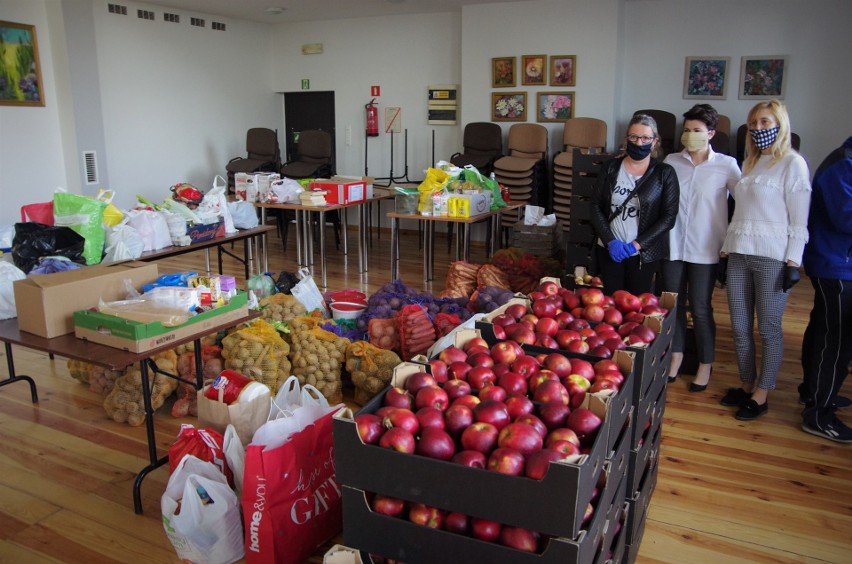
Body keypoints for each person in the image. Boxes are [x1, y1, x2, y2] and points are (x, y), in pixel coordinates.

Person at [718, 100, 811, 421]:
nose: (759, 128)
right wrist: (726, 250)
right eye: (754, 123)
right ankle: (746, 385)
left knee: (768, 328)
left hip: (773, 259)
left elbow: (799, 220)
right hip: (739, 255)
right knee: (740, 327)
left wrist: (794, 263)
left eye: (765, 122)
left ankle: (763, 392)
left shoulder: (792, 164)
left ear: (780, 124)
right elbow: (740, 213)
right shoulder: (750, 162)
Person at [662, 104, 741, 392]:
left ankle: (706, 363)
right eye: (686, 131)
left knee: (700, 307)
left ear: (710, 133)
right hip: (673, 245)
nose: (690, 136)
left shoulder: (727, 165)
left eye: (696, 131)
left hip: (707, 248)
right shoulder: (671, 161)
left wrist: (732, 242)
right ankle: (676, 356)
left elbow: (744, 203)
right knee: (673, 305)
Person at [799, 136, 852, 443]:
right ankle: (820, 413)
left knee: (824, 329)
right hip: (836, 265)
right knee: (835, 341)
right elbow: (845, 217)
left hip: (838, 263)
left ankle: (813, 391)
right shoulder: (843, 163)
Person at [590, 113, 679, 296]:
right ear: (626, 139)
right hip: (609, 250)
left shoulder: (665, 173)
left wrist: (636, 246)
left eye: (645, 137)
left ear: (655, 141)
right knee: (610, 305)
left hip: (642, 255)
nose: (639, 143)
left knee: (636, 308)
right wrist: (610, 241)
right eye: (634, 137)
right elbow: (595, 206)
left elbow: (668, 217)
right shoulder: (610, 167)